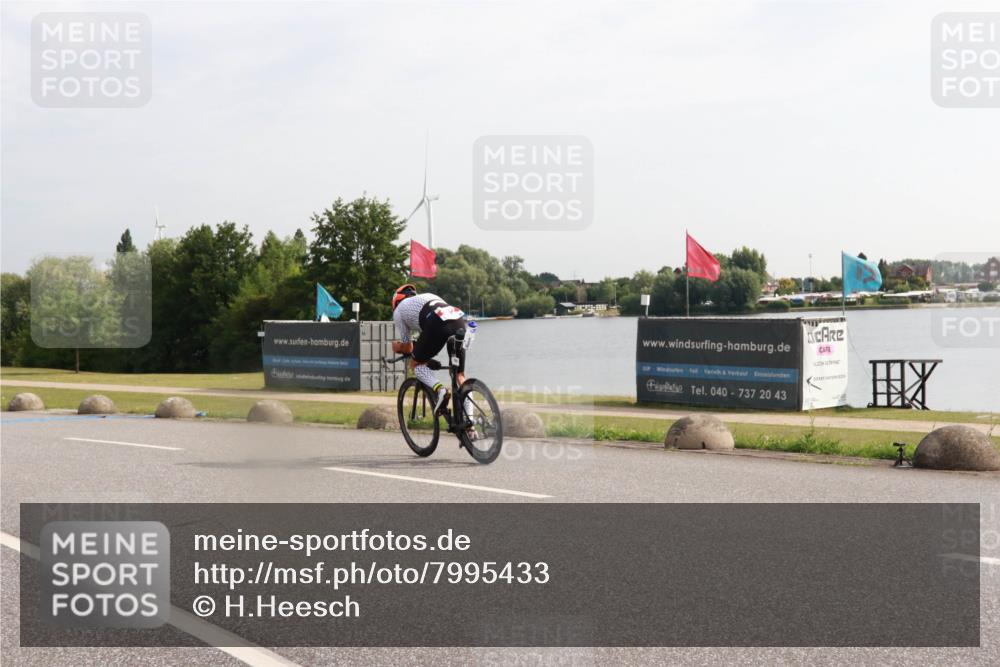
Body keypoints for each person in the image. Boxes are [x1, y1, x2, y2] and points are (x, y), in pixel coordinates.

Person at [391, 284, 467, 413]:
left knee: (416, 364)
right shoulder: (427, 297)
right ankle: (469, 424)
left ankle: (440, 390)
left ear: (395, 302)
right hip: (457, 318)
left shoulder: (399, 311)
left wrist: (397, 347)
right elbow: (428, 341)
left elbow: (407, 347)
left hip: (436, 321)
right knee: (459, 375)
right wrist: (427, 359)